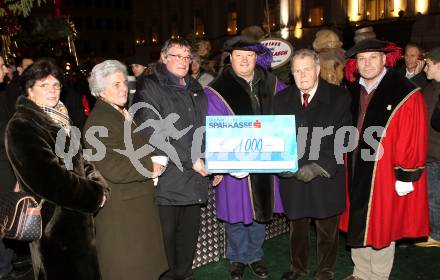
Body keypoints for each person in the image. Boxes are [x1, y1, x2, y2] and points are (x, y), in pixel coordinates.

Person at [4, 59, 109, 280]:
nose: (52, 91)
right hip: (54, 227)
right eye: (44, 85)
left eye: (56, 85)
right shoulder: (23, 124)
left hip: (79, 221)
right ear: (29, 89)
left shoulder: (62, 118)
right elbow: (49, 179)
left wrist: (100, 184)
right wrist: (94, 195)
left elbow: (83, 158)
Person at [339, 39, 429, 280]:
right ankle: (360, 272)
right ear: (355, 64)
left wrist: (406, 174)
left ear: (385, 59)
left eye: (372, 57)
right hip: (355, 166)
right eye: (361, 59)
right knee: (358, 219)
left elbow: (413, 136)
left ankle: (378, 276)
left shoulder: (405, 92)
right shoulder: (350, 90)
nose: (367, 63)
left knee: (381, 224)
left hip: (385, 172)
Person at [204, 35, 286, 280]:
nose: (244, 61)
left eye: (249, 56)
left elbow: (286, 115)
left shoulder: (272, 84)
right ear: (230, 58)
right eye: (239, 56)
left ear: (256, 58)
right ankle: (237, 257)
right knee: (236, 210)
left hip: (265, 161)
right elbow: (213, 126)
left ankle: (255, 254)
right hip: (234, 162)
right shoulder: (217, 90)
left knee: (260, 210)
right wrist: (227, 162)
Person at [132, 38, 211, 280]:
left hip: (195, 176)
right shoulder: (150, 87)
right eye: (176, 56)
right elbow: (153, 131)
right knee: (166, 241)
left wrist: (213, 162)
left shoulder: (196, 87)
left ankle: (184, 275)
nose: (183, 61)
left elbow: (205, 129)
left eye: (187, 56)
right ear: (164, 58)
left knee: (189, 237)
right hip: (168, 177)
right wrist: (191, 160)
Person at [84, 60, 168, 279]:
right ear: (101, 90)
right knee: (128, 269)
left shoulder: (118, 112)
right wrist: (150, 166)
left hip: (134, 204)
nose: (123, 88)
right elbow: (112, 166)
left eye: (124, 82)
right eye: (116, 84)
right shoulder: (99, 121)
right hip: (122, 211)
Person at [274, 49, 351, 280]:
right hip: (293, 175)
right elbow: (277, 138)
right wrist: (280, 164)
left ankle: (325, 271)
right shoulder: (281, 99)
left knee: (327, 228)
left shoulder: (339, 97)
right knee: (297, 227)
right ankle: (299, 269)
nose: (302, 75)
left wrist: (318, 166)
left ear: (317, 70)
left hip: (325, 175)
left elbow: (344, 138)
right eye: (297, 71)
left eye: (307, 69)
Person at [415, 47, 440, 247]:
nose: (425, 69)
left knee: (434, 196)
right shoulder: (429, 89)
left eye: (429, 65)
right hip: (430, 154)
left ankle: (436, 235)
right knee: (432, 195)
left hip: (435, 153)